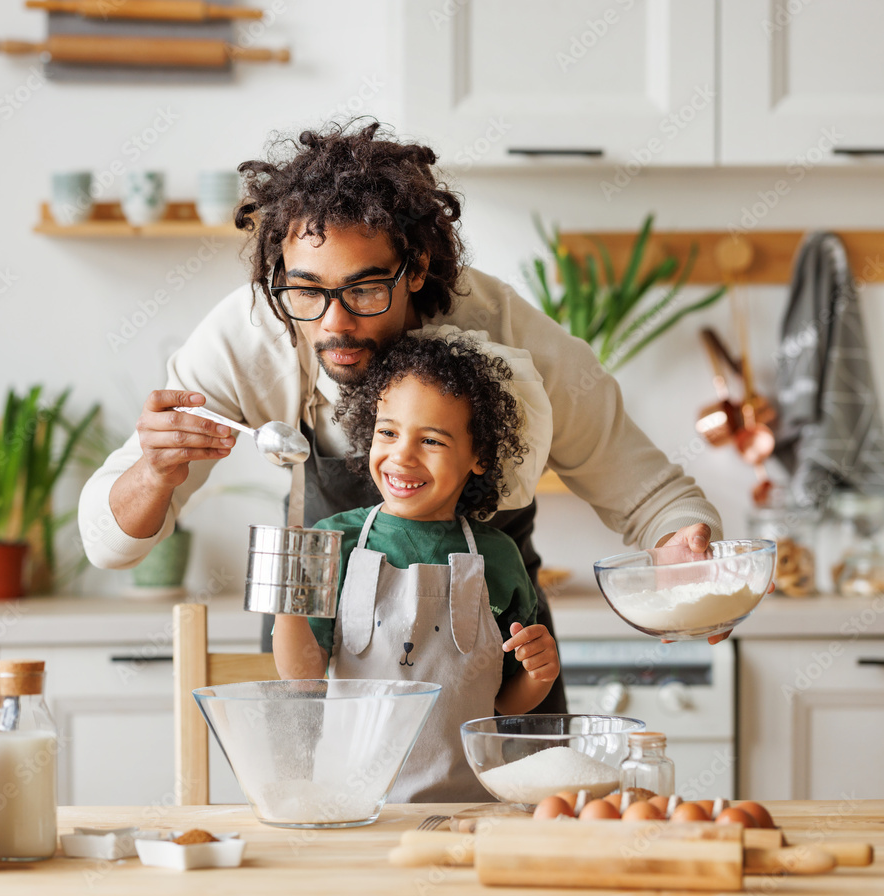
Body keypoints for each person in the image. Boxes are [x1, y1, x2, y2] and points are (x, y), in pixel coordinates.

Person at [78, 119, 725, 717]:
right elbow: (109, 542)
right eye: (305, 289)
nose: (333, 323)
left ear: (415, 267)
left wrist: (686, 562)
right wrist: (155, 474)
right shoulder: (249, 335)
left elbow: (655, 499)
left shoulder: (505, 331)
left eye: (363, 289)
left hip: (498, 660)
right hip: (327, 655)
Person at [273, 332, 560, 802]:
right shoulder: (334, 541)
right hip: (350, 809)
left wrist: (539, 673)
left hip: (468, 808)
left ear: (479, 457)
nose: (402, 455)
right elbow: (303, 678)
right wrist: (288, 600)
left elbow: (506, 702)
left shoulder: (500, 557)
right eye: (388, 432)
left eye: (430, 439)